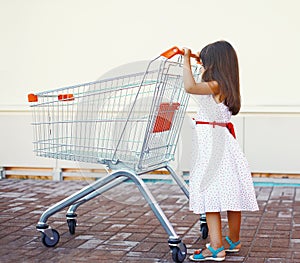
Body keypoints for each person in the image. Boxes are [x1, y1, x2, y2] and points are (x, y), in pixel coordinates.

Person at [182, 40, 259, 261]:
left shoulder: (215, 85)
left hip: (213, 147)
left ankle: (216, 247)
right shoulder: (226, 85)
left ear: (214, 64)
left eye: (206, 63)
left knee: (210, 195)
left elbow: (189, 87)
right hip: (224, 145)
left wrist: (186, 60)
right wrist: (200, 60)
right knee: (231, 194)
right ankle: (233, 240)